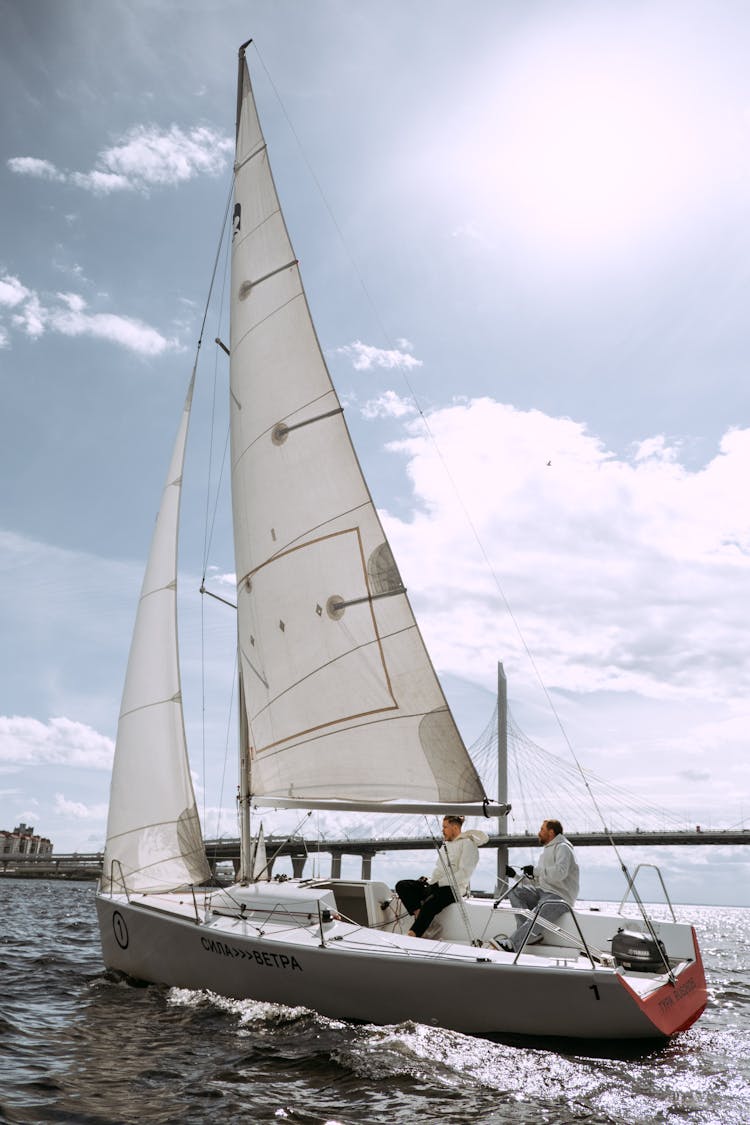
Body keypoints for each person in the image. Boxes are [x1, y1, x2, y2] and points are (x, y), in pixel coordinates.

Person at [396, 815, 488, 938]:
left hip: (454, 889)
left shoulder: (468, 844)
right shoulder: (446, 845)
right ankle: (427, 923)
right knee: (403, 885)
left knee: (431, 903)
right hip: (435, 885)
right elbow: (439, 870)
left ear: (455, 827)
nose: (442, 830)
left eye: (445, 827)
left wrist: (439, 883)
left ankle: (413, 934)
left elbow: (465, 873)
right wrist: (430, 881)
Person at [499, 818, 579, 952]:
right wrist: (515, 876)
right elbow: (539, 881)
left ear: (551, 832)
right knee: (515, 892)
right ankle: (529, 935)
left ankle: (513, 944)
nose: (539, 832)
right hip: (543, 892)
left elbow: (560, 873)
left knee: (542, 907)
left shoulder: (563, 848)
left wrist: (535, 871)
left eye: (542, 829)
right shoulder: (545, 852)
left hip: (560, 896)